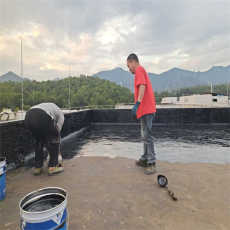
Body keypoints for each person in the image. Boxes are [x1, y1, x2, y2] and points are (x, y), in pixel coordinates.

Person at [127, 53, 157, 175]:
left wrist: (138, 103)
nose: (129, 69)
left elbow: (143, 86)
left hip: (146, 109)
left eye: (129, 66)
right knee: (144, 135)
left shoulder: (139, 69)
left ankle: (152, 162)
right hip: (144, 110)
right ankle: (145, 158)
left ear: (133, 61)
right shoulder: (141, 70)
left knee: (147, 135)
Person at [24, 103, 64, 176]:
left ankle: (38, 167)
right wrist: (56, 150)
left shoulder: (50, 107)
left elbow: (46, 132)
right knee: (55, 140)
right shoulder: (61, 114)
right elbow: (57, 132)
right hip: (41, 115)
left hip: (28, 117)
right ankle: (53, 167)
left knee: (38, 141)